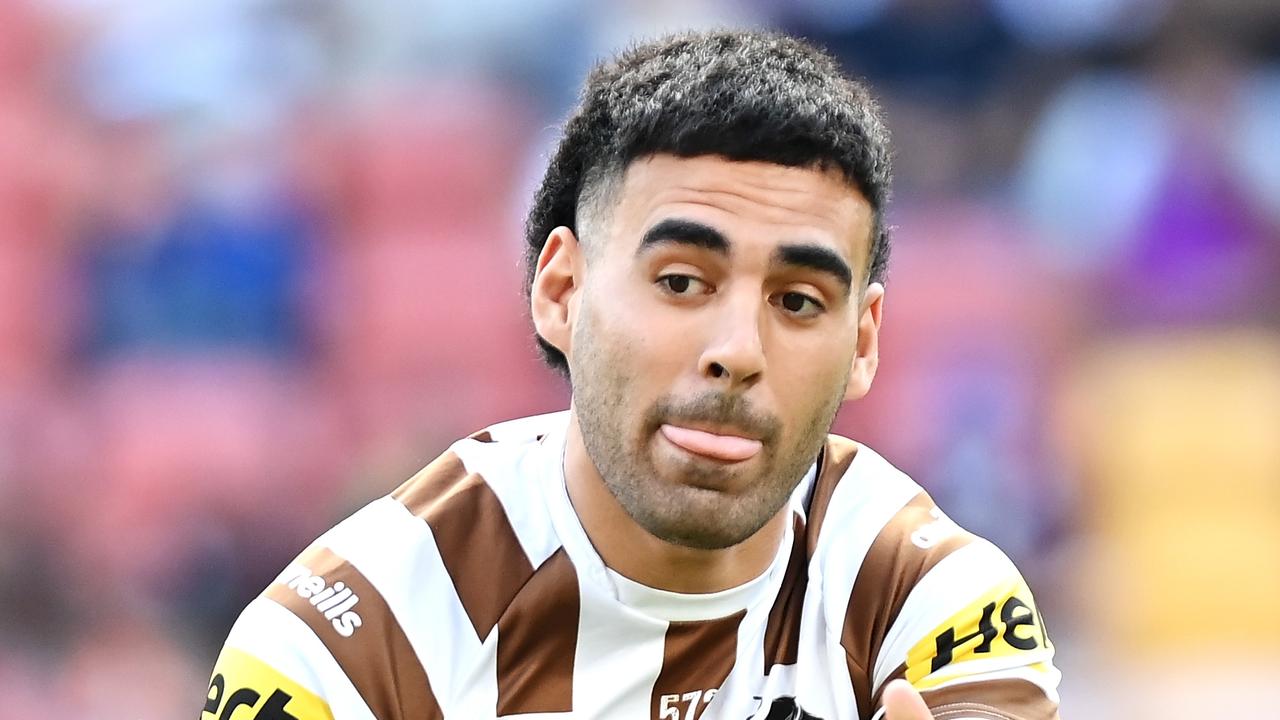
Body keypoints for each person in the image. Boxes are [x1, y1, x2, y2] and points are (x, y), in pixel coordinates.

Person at [202, 29, 1061, 720]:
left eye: (799, 300)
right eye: (682, 282)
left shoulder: (930, 602)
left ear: (865, 340)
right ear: (561, 291)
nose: (739, 349)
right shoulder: (346, 645)